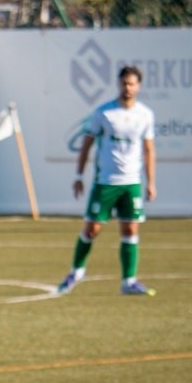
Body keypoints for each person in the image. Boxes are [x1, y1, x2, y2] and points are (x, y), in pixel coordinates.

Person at [57, 65, 157, 297]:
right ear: (118, 84)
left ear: (138, 86)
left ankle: (129, 281)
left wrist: (151, 182)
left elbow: (149, 150)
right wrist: (79, 176)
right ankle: (76, 271)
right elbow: (87, 144)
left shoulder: (145, 115)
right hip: (106, 182)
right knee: (92, 229)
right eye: (124, 83)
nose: (128, 88)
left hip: (131, 183)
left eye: (132, 84)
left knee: (130, 228)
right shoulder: (104, 113)